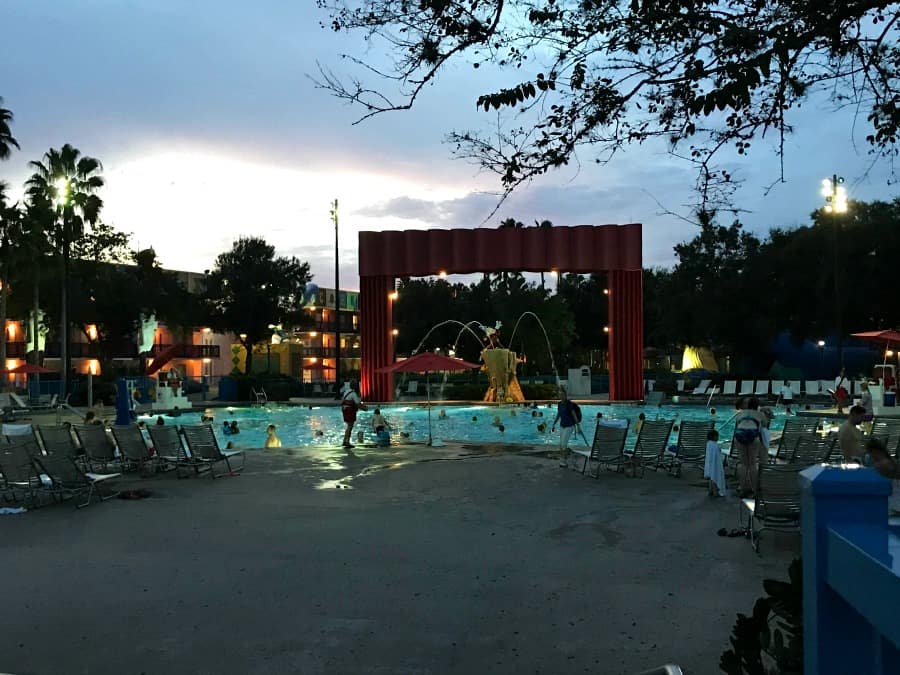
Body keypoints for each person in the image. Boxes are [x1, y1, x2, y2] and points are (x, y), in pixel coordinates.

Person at [734, 396, 767, 497]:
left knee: (744, 464)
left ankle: (743, 489)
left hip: (739, 436)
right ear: (757, 405)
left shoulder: (739, 414)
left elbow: (737, 425)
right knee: (752, 464)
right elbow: (765, 426)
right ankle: (755, 491)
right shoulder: (760, 414)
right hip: (752, 436)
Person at [551, 387, 578, 468]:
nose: (561, 396)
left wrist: (578, 426)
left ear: (565, 395)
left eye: (562, 394)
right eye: (560, 395)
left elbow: (574, 415)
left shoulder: (569, 404)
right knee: (561, 444)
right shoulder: (559, 404)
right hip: (562, 426)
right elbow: (559, 414)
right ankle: (564, 459)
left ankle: (564, 461)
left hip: (569, 426)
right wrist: (554, 423)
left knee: (564, 443)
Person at [341, 380, 368, 448]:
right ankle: (347, 442)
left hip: (345, 410)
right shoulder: (353, 394)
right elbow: (357, 404)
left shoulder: (346, 392)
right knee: (350, 426)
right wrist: (365, 408)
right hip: (350, 411)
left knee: (348, 426)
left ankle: (345, 441)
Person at [704, 429, 726, 497]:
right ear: (714, 437)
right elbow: (718, 455)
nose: (718, 438)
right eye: (717, 436)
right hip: (715, 465)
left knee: (711, 478)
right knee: (715, 477)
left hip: (710, 464)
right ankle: (715, 491)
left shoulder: (708, 444)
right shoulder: (715, 446)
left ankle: (710, 491)